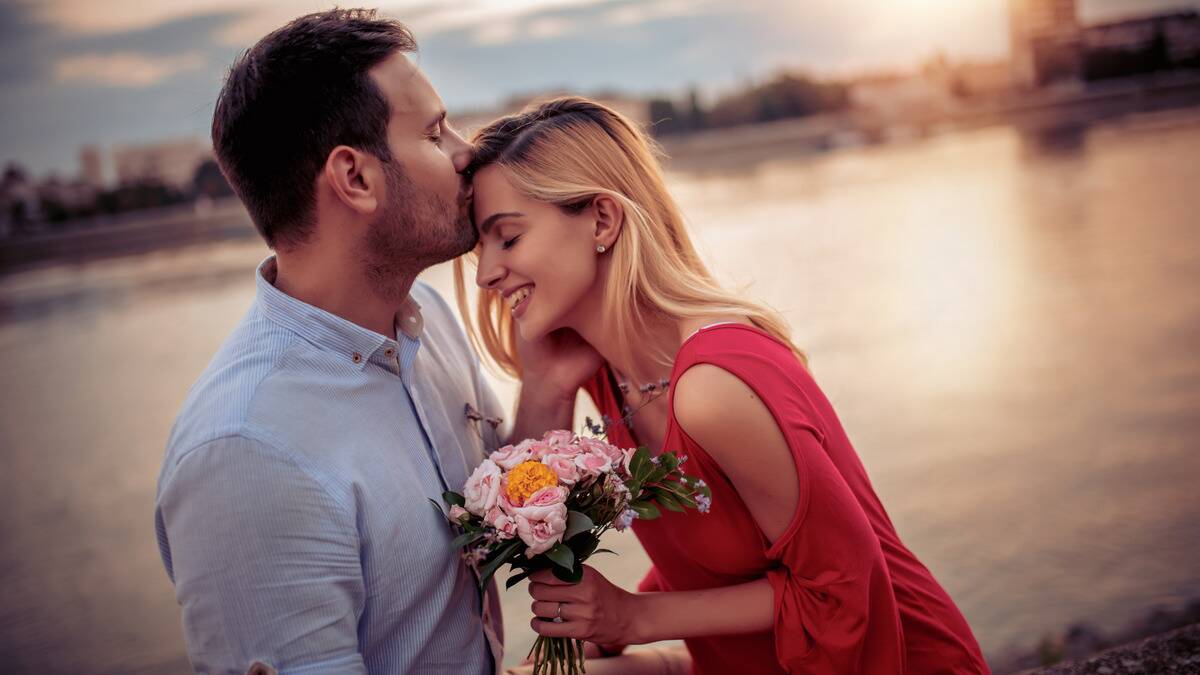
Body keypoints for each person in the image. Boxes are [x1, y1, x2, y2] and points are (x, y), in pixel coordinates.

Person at [458, 96, 992, 674]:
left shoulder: (714, 387)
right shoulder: (612, 380)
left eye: (507, 239)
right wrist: (547, 385)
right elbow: (710, 548)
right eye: (480, 247)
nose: (486, 273)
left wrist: (633, 618)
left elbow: (843, 589)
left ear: (603, 220)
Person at [154, 10, 587, 674]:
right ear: (354, 178)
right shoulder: (247, 455)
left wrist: (550, 381)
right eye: (435, 133)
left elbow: (500, 522)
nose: (466, 150)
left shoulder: (427, 319)